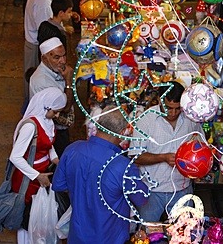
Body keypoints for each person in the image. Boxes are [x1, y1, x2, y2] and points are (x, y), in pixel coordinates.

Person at [52, 105, 149, 244]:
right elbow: (142, 198)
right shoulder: (123, 166)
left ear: (98, 124)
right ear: (122, 132)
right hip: (110, 237)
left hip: (78, 234)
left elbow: (59, 185)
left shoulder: (72, 149)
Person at [128, 80, 205, 222]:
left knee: (183, 234)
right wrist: (163, 157)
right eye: (168, 108)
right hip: (151, 191)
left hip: (182, 189)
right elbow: (135, 156)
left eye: (177, 109)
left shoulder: (191, 119)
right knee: (148, 234)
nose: (173, 113)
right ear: (159, 100)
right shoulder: (146, 120)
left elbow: (202, 145)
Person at [9, 87, 67, 244]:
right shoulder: (30, 127)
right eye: (55, 112)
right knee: (28, 215)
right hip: (27, 179)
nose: (57, 115)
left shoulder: (47, 122)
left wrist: (57, 161)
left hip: (42, 175)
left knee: (40, 214)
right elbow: (15, 156)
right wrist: (36, 175)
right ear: (45, 106)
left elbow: (48, 146)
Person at [23, 0, 64, 107]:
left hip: (33, 39)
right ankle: (31, 106)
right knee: (34, 80)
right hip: (35, 44)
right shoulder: (44, 2)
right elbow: (45, 31)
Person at [30, 37, 74, 157]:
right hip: (52, 133)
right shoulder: (41, 81)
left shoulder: (55, 69)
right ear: (44, 58)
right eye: (57, 57)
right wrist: (69, 81)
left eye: (64, 56)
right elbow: (64, 108)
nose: (63, 61)